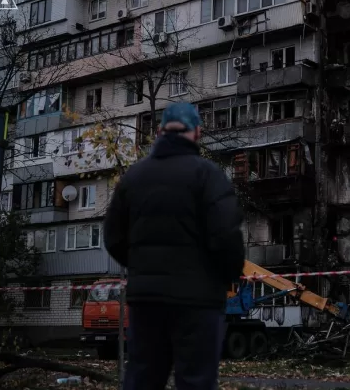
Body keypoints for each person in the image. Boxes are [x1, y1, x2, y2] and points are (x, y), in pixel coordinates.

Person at [103, 102, 246, 390]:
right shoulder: (208, 175)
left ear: (159, 132)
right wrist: (225, 277)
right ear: (197, 132)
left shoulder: (134, 178)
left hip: (147, 302)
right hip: (198, 302)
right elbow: (226, 237)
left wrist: (143, 268)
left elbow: (113, 237)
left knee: (143, 380)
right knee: (196, 381)